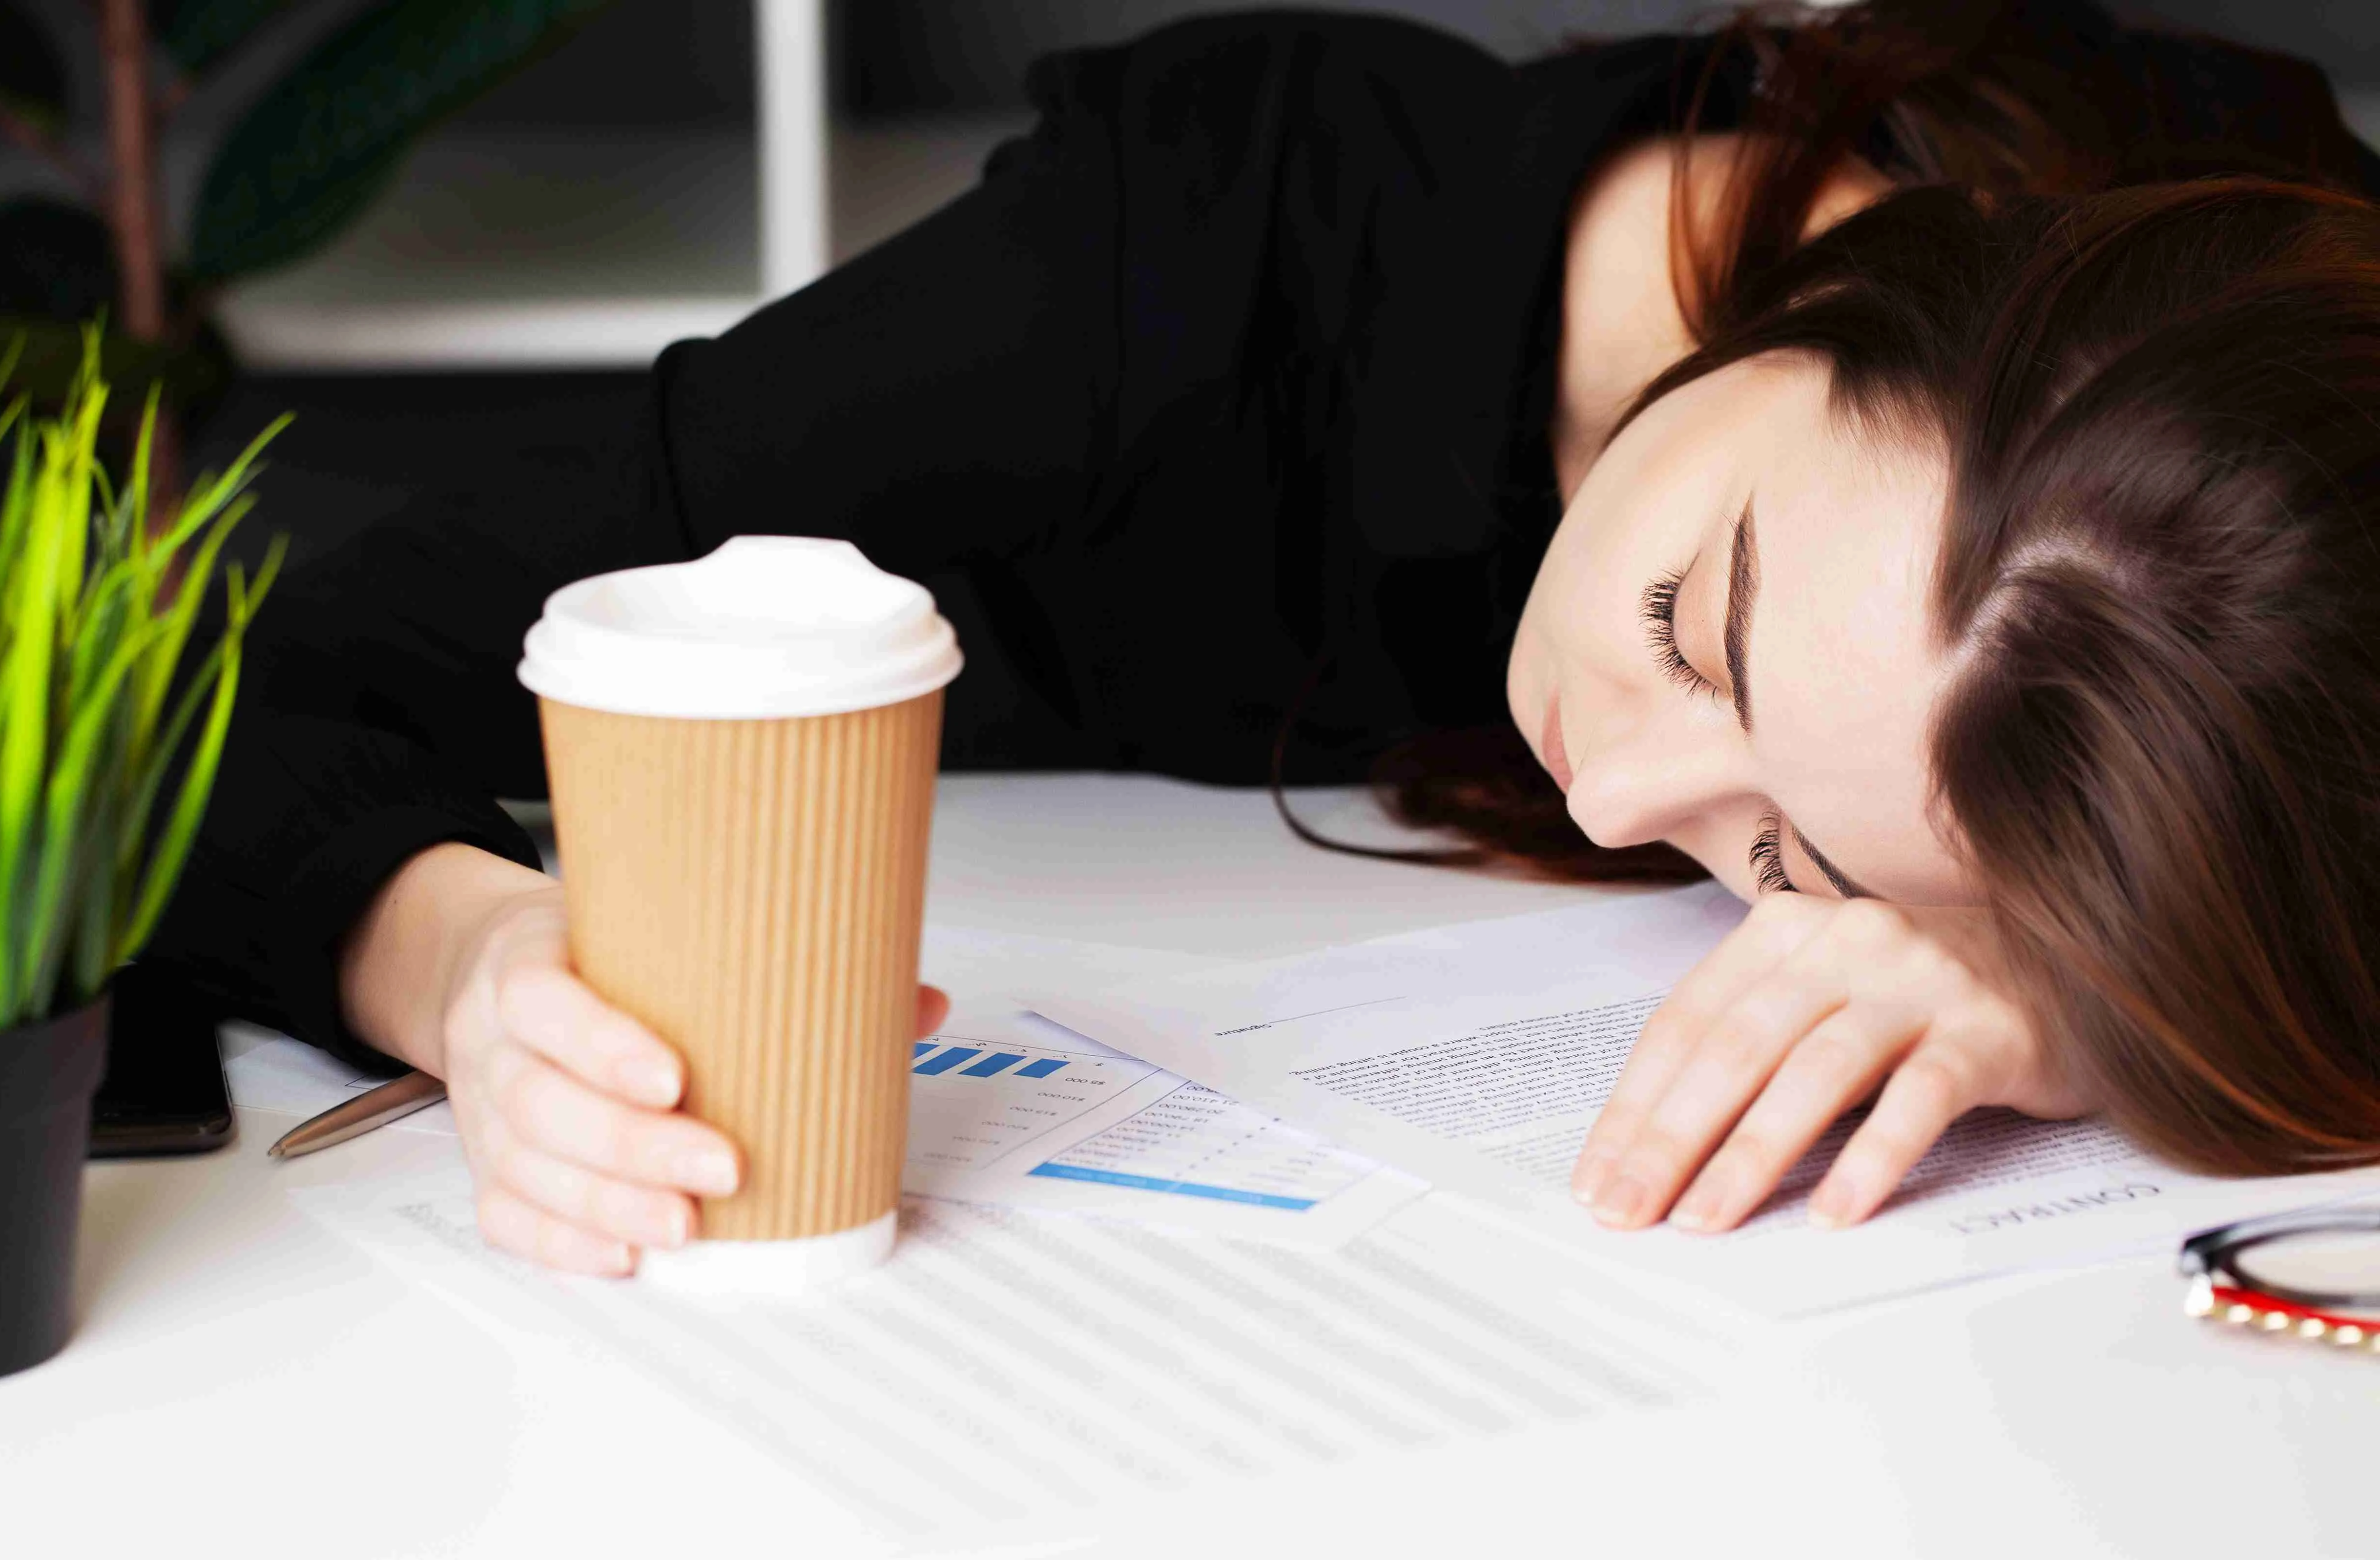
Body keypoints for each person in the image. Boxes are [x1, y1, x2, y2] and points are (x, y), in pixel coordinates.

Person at [148, 0, 2380, 1274]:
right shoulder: (1172, 287)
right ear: (1829, 302)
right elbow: (229, 688)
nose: (1614, 794)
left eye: (1793, 865)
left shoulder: (2279, 408)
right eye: (1696, 628)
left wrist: (2082, 983)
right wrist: (457, 969)